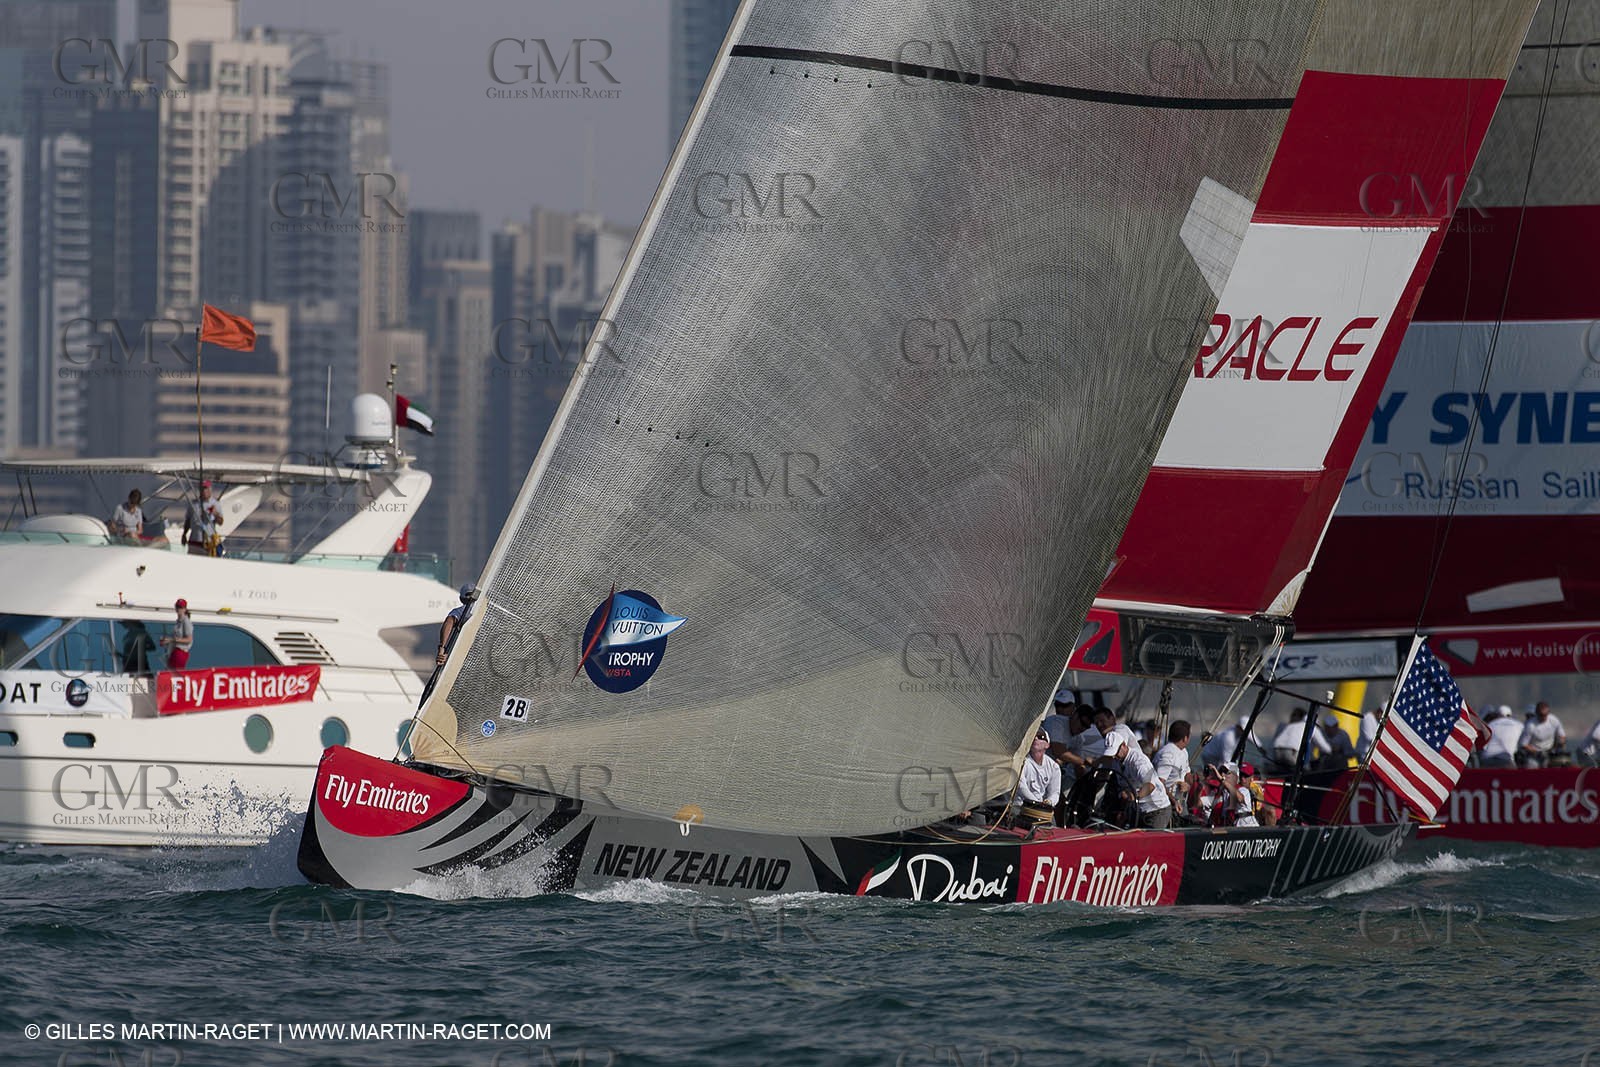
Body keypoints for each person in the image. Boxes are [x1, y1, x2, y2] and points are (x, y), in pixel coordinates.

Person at [1099, 725, 1173, 829]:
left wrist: (1135, 796)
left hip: (1156, 810)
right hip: (1137, 808)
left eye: (1116, 752)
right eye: (1112, 754)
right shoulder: (1116, 761)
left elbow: (1150, 785)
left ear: (1124, 745)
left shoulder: (1138, 761)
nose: (1114, 756)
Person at [1016, 728, 1061, 828]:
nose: (1035, 738)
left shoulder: (1054, 767)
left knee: (1051, 824)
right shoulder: (1022, 761)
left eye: (1040, 737)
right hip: (1020, 806)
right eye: (1033, 736)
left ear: (1047, 745)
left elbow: (1055, 792)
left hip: (1041, 809)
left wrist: (1049, 802)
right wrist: (1038, 804)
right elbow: (1021, 786)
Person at [1271, 707, 1331, 772]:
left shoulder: (1292, 725)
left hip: (1276, 749)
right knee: (1304, 770)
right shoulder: (1312, 727)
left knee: (1282, 771)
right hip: (1292, 752)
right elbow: (1326, 749)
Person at [1153, 720, 1193, 811]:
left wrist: (1189, 785)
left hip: (1180, 800)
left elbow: (1187, 774)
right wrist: (1174, 801)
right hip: (1166, 803)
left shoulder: (1183, 751)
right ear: (1185, 738)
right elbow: (1159, 783)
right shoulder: (1168, 754)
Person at [437, 582, 479, 666]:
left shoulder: (461, 611)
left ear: (461, 599)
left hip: (467, 654)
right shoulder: (487, 608)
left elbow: (450, 621)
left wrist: (442, 648)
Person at [182, 481, 224, 556]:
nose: (204, 491)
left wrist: (215, 514)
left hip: (208, 542)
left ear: (210, 489)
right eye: (202, 489)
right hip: (194, 540)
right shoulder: (194, 504)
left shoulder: (215, 504)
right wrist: (184, 534)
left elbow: (220, 522)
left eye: (206, 488)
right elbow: (188, 520)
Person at [1519, 701, 1566, 767]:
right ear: (1536, 713)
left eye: (1545, 715)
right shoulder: (1530, 725)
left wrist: (1560, 744)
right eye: (1541, 715)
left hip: (1550, 752)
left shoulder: (1554, 720)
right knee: (1532, 765)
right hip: (1534, 754)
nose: (1544, 717)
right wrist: (1537, 752)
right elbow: (1524, 744)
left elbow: (1562, 736)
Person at [160, 599, 194, 669]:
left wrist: (171, 640)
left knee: (173, 674)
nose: (179, 609)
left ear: (185, 609)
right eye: (178, 607)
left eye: (181, 607)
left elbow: (189, 639)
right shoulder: (178, 622)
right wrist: (166, 641)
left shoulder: (186, 621)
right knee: (168, 673)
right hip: (175, 652)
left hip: (181, 652)